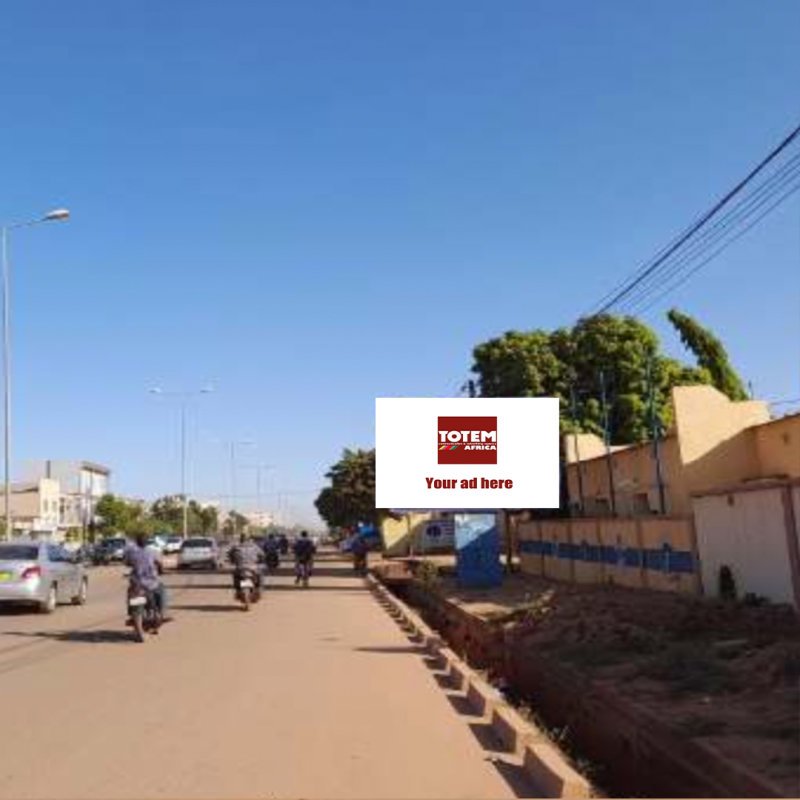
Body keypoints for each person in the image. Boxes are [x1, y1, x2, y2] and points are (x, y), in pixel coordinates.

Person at [124, 534, 168, 621]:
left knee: (130, 593)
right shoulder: (153, 552)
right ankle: (161, 612)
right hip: (151, 584)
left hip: (137, 584)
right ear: (147, 542)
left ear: (137, 542)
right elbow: (160, 564)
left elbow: (127, 563)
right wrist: (161, 571)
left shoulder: (132, 553)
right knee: (162, 591)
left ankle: (132, 613)